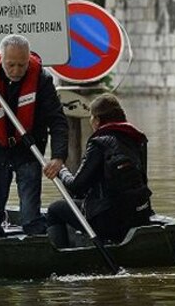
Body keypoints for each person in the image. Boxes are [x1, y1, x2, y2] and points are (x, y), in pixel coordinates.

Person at [0, 34, 68, 237]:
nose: (16, 71)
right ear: (1, 59)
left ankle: (36, 247)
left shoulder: (42, 79)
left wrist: (58, 157)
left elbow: (57, 121)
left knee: (31, 217)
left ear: (28, 59)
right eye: (11, 65)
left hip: (29, 150)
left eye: (22, 65)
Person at [44, 93, 153, 248]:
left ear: (96, 120)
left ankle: (61, 259)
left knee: (55, 209)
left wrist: (61, 170)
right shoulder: (138, 140)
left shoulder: (99, 143)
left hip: (108, 220)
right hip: (138, 214)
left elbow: (77, 187)